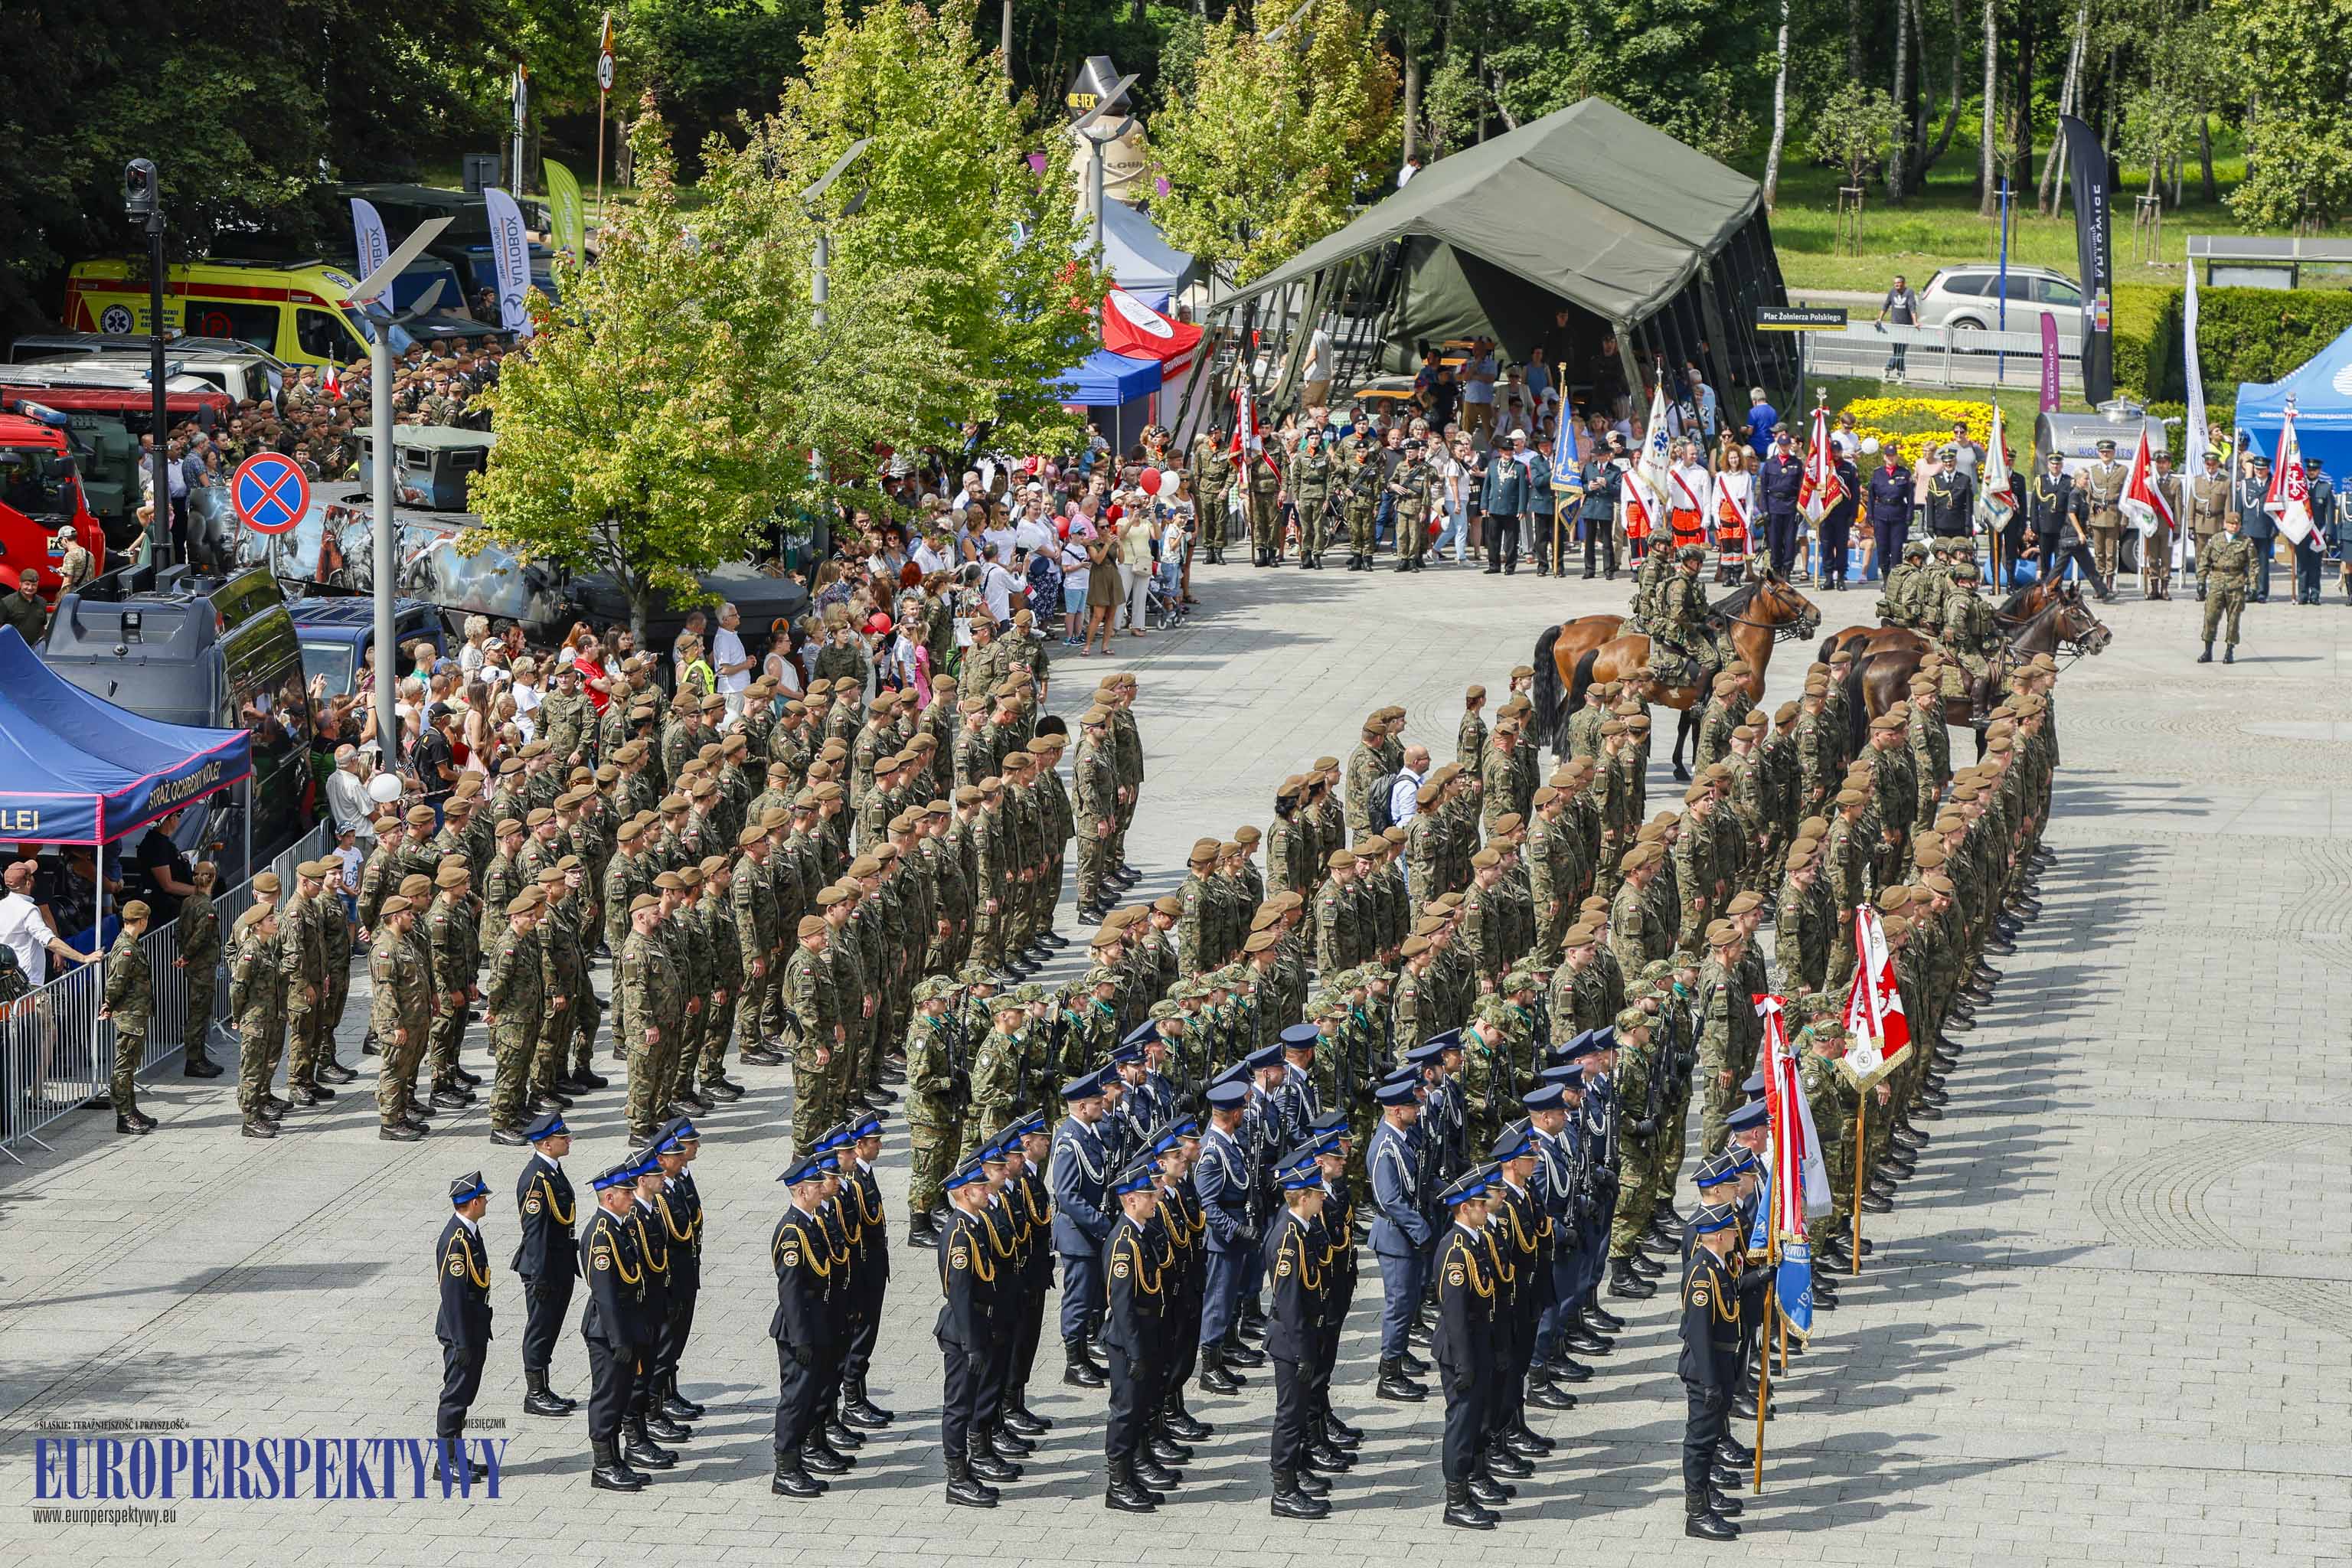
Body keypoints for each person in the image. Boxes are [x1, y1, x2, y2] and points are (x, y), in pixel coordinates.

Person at [1263, 1153, 1334, 1519]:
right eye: (1318, 1195)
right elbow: (1290, 1303)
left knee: (1299, 1412)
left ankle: (1297, 1472)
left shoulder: (1301, 1230)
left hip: (1302, 1338)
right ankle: (1284, 1492)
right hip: (1291, 1342)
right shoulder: (1288, 1240)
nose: (1324, 1199)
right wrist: (1305, 1352)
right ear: (1303, 1198)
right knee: (1289, 1417)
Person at [1432, 1165, 1501, 1530]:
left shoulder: (1475, 1240)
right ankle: (1455, 1500)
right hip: (1462, 1352)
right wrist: (1463, 1364)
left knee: (1476, 1421)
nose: (1486, 1208)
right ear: (1463, 1209)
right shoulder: (1456, 1251)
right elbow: (1454, 1314)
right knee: (1461, 1424)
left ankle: (1470, 1485)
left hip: (1478, 1346)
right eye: (1479, 1204)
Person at [1676, 1201, 1743, 1540]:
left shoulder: (1716, 1265)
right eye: (1731, 1230)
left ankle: (1705, 1496)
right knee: (1701, 1442)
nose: (1735, 1234)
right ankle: (1696, 1512)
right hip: (1707, 1369)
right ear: (1717, 1236)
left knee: (1711, 1436)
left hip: (1719, 1365)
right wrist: (1711, 1383)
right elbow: (1700, 1334)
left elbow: (1729, 1298)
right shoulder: (1702, 1274)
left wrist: (1761, 1276)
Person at [513, 1109, 580, 1419]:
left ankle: (545, 1387)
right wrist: (540, 1277)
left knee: (550, 1327)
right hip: (543, 1268)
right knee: (540, 1328)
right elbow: (535, 1232)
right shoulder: (537, 1181)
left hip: (558, 1264)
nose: (568, 1140)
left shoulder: (552, 1170)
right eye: (562, 1137)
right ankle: (535, 1393)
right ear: (546, 1143)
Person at [435, 1171, 496, 1483]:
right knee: (455, 1395)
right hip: (461, 1332)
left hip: (472, 1328)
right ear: (473, 1202)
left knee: (465, 1394)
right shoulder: (457, 1240)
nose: (486, 1201)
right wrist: (461, 1342)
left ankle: (455, 1455)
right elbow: (453, 1295)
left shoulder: (469, 1232)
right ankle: (445, 1462)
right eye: (483, 1197)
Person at [100, 900, 156, 1135]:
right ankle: (124, 1116)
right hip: (129, 1015)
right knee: (124, 1066)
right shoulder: (126, 949)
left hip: (136, 1013)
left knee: (130, 1064)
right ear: (142, 921)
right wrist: (108, 1004)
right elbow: (116, 982)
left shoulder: (131, 944)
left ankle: (132, 1110)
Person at [173, 861, 224, 1080]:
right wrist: (187, 956)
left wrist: (184, 954)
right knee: (199, 1013)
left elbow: (179, 930)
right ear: (212, 878)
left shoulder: (188, 902)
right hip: (202, 965)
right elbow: (201, 936)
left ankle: (199, 1057)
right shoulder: (207, 908)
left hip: (194, 965)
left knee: (199, 1011)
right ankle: (194, 1061)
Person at [2198, 508, 2253, 665]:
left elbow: (2253, 565)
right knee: (2210, 617)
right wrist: (2201, 581)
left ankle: (2230, 651)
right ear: (2225, 524)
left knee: (2234, 619)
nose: (2233, 527)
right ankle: (2207, 650)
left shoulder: (2246, 542)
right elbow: (2204, 560)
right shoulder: (2215, 539)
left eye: (2236, 524)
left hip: (2236, 583)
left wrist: (2252, 585)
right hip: (2216, 581)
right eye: (2230, 524)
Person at [2236, 452, 2278, 603]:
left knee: (2263, 563)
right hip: (2248, 528)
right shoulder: (2247, 484)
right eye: (2257, 469)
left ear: (2268, 469)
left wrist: (2276, 528)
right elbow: (2239, 508)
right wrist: (2237, 527)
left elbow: (2280, 510)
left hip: (2266, 529)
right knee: (2247, 562)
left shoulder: (2273, 485)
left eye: (2262, 469)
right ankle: (2249, 589)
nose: (2259, 471)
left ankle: (2261, 592)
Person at [1877, 274, 1920, 380]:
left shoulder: (1909, 292)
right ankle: (1901, 373)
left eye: (1898, 282)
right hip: (1894, 327)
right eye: (1895, 283)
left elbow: (1912, 308)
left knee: (1900, 351)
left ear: (1903, 283)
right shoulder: (1892, 292)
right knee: (1898, 352)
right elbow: (1886, 305)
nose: (1896, 284)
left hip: (1906, 327)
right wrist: (1879, 319)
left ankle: (1888, 368)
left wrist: (1915, 322)